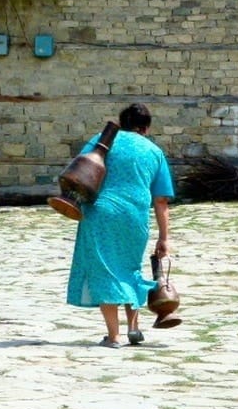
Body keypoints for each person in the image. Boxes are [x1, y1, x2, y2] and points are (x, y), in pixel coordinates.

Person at [66, 103, 175, 348]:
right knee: (131, 269)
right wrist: (164, 238)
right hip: (135, 217)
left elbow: (79, 169)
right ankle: (133, 328)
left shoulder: (102, 140)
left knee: (106, 270)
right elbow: (161, 200)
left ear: (121, 122)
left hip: (100, 213)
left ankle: (113, 336)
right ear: (146, 128)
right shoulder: (154, 151)